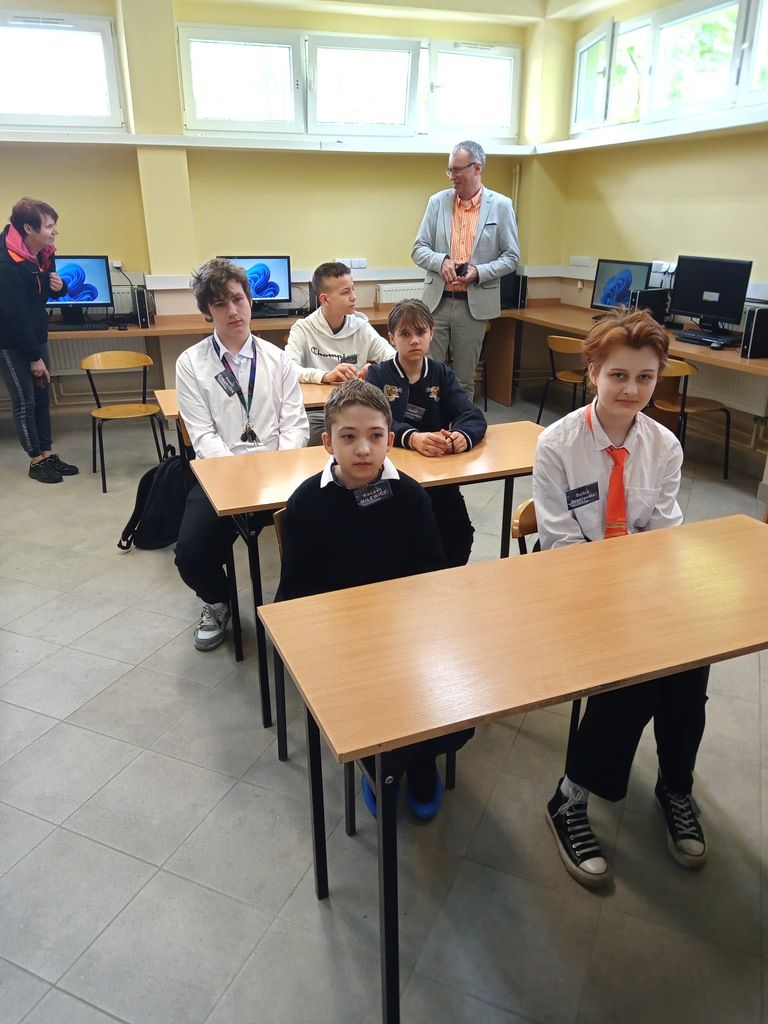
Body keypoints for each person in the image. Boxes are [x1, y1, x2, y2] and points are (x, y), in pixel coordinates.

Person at [532, 308, 709, 889]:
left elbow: (664, 534)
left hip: (641, 586)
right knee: (635, 672)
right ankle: (570, 796)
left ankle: (675, 786)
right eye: (618, 375)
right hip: (573, 587)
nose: (632, 389)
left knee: (691, 660)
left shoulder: (665, 446)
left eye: (645, 377)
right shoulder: (557, 445)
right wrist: (621, 603)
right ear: (592, 373)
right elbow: (559, 543)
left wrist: (645, 596)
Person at [278, 379, 473, 819]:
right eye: (348, 437)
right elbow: (297, 590)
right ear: (328, 443)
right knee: (368, 703)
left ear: (390, 439)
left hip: (407, 635)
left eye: (375, 436)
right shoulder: (306, 503)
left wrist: (409, 633)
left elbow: (431, 575)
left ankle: (418, 757)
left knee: (453, 706)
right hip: (340, 640)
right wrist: (345, 635)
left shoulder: (411, 496)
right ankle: (380, 763)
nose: (363, 449)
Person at [175, 258, 309, 652]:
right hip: (223, 477)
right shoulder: (191, 363)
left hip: (279, 475)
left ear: (250, 301)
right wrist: (240, 480)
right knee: (191, 554)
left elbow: (295, 425)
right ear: (208, 311)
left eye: (238, 299)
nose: (232, 311)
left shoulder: (277, 359)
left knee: (316, 534)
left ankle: (291, 607)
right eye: (220, 304)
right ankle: (219, 601)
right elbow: (202, 435)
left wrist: (278, 472)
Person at [367, 299, 486, 567]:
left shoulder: (442, 374)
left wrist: (461, 437)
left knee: (459, 534)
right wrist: (413, 437)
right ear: (391, 338)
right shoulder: (378, 375)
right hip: (391, 476)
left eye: (421, 332)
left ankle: (444, 577)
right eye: (405, 334)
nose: (414, 340)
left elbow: (471, 414)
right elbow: (376, 422)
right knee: (403, 539)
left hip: (438, 475)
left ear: (432, 333)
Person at [412, 140, 520, 400]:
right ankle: (429, 424)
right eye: (450, 170)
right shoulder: (437, 202)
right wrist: (441, 262)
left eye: (457, 170)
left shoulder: (501, 205)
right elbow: (418, 249)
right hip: (436, 303)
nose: (452, 176)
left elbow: (512, 257)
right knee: (427, 376)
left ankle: (461, 425)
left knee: (463, 382)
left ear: (477, 168)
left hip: (473, 307)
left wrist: (478, 272)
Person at [0, 196, 78, 483]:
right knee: (25, 401)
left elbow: (44, 291)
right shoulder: (7, 263)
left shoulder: (44, 253)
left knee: (43, 398)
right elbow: (13, 316)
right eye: (48, 226)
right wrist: (34, 358)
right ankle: (36, 461)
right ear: (28, 229)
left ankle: (47, 453)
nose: (55, 231)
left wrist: (60, 287)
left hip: (35, 332)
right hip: (10, 340)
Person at [285, 261, 394, 444]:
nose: (354, 297)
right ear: (325, 299)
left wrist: (376, 370)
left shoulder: (361, 327)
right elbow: (288, 368)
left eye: (353, 289)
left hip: (358, 407)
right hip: (320, 411)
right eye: (345, 292)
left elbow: (394, 358)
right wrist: (325, 376)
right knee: (312, 433)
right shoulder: (303, 328)